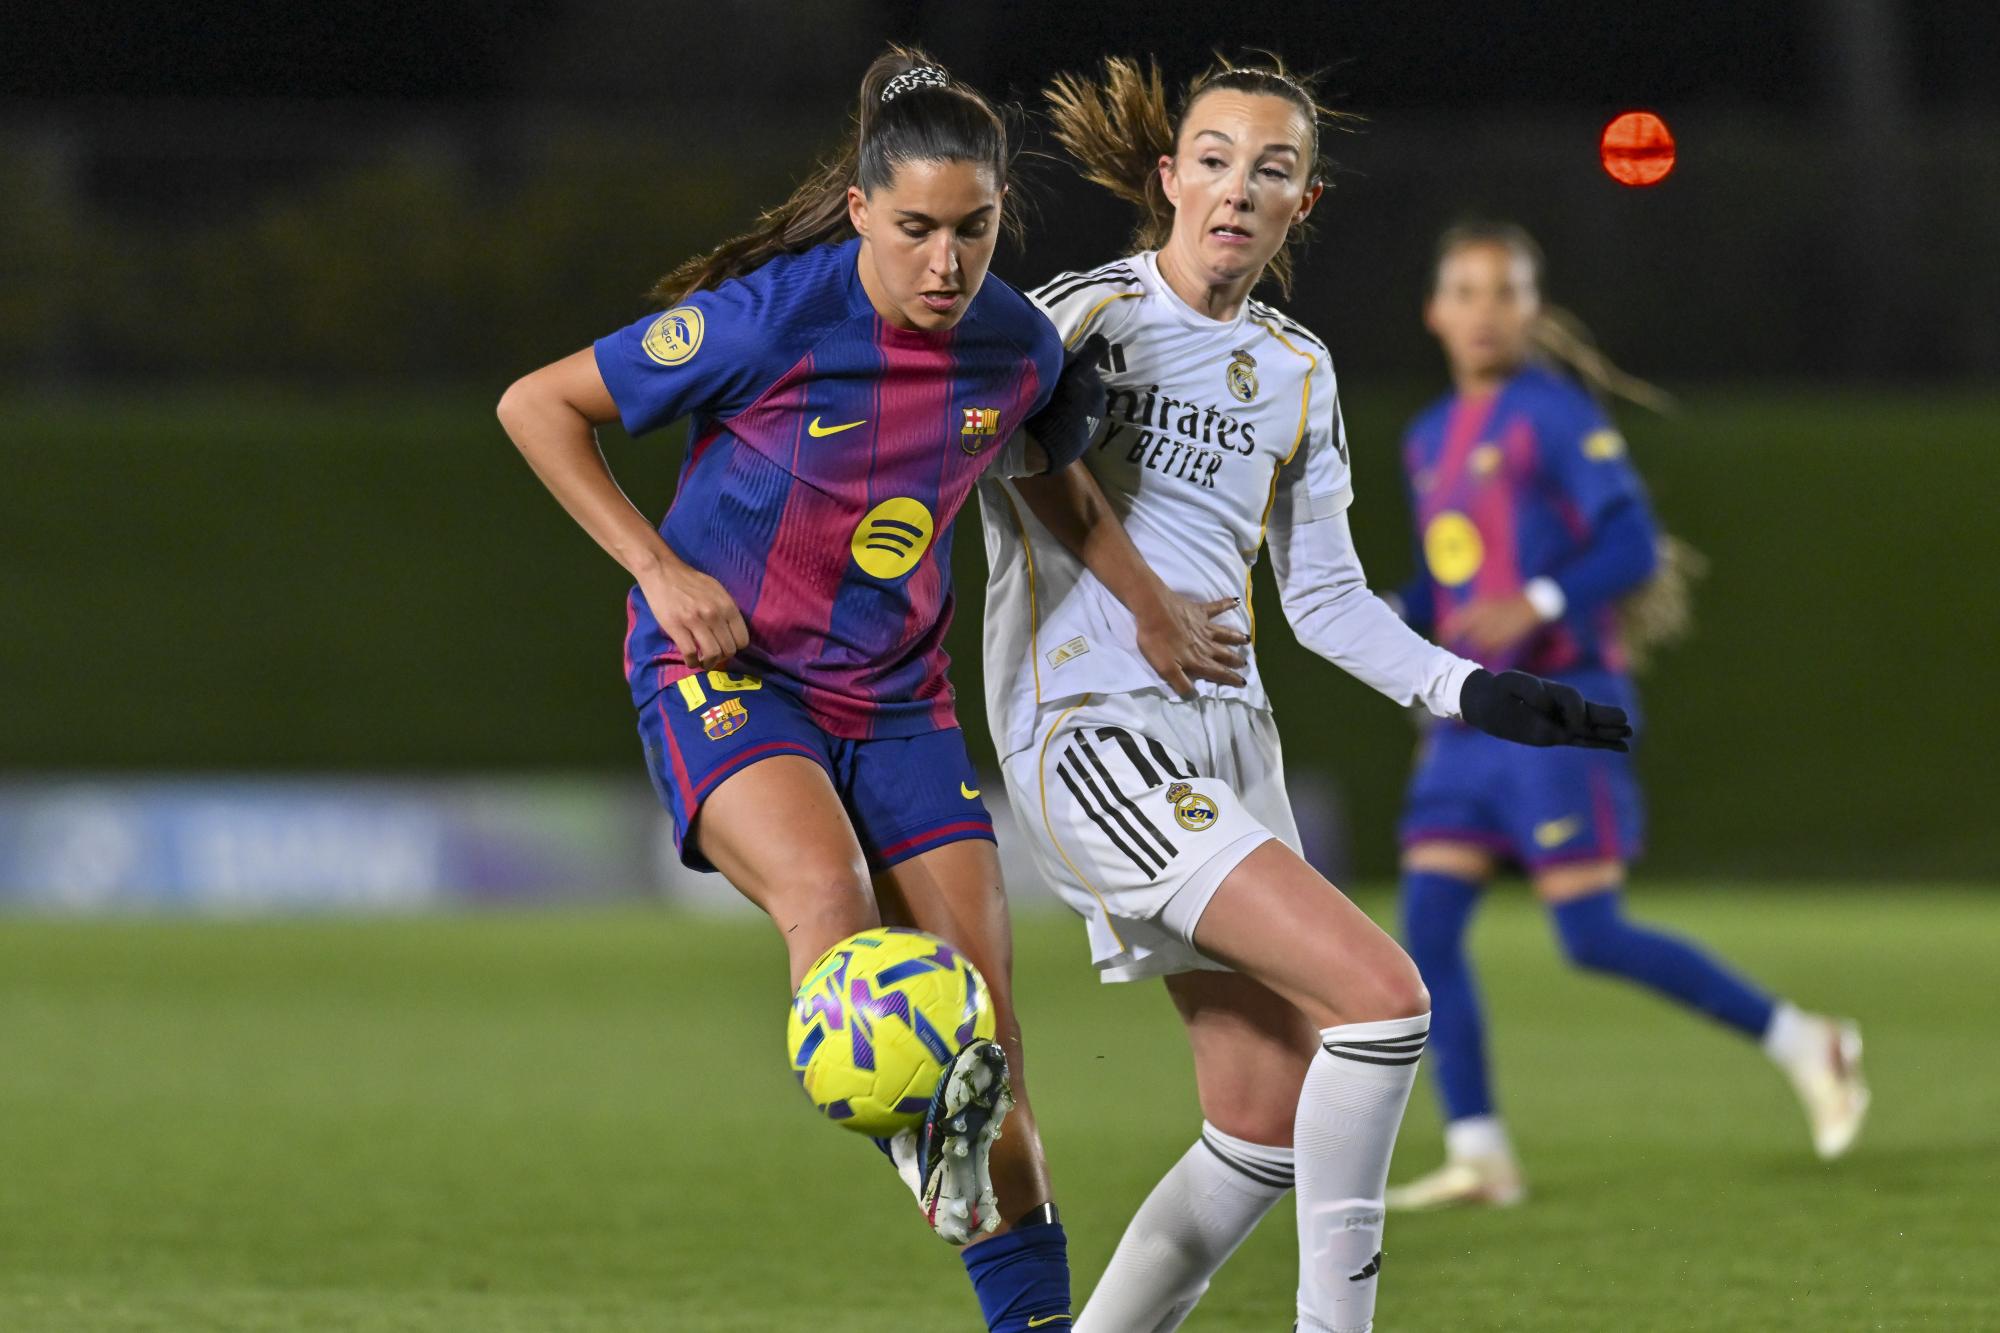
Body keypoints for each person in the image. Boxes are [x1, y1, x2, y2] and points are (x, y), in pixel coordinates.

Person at [976, 58, 1628, 1332]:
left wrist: (1470, 687)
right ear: (1167, 179)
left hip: (1228, 748)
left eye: (1267, 170)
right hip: (1090, 734)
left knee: (1261, 1123)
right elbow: (985, 452)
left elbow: (1318, 598)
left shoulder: (1294, 368)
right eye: (1212, 159)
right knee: (1384, 1001)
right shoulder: (1081, 317)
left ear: (1300, 205)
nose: (1235, 189)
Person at [496, 49, 1101, 1332]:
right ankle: (902, 1124)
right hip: (727, 675)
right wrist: (659, 570)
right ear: (864, 210)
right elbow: (537, 404)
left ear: (1001, 217)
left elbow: (1044, 449)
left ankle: (1025, 1306)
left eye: (975, 230)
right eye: (919, 230)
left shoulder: (1011, 341)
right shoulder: (771, 317)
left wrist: (1150, 608)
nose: (946, 262)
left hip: (897, 700)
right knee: (825, 895)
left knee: (988, 1045)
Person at [1384, 221, 1869, 1210]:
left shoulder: (1549, 415)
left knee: (1589, 933)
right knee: (1423, 935)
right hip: (1471, 724)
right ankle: (1480, 1152)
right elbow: (1450, 579)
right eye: (1465, 291)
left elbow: (1631, 542)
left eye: (1503, 291)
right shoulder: (1426, 436)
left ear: (1531, 309)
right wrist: (1392, 628)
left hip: (1562, 703)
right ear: (1435, 311)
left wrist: (1542, 601)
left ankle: (1802, 1039)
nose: (1483, 310)